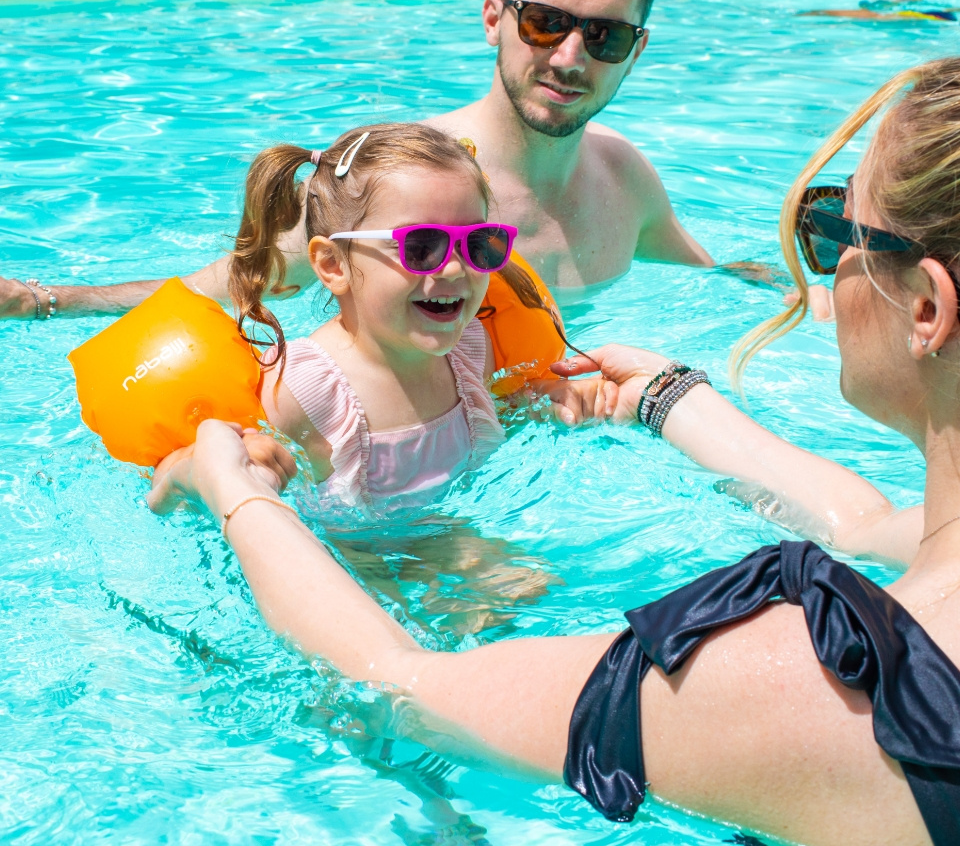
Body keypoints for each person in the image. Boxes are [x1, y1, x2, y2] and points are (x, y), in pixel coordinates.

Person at [150, 58, 960, 846]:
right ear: (331, 265)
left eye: (828, 233)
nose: (461, 270)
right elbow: (864, 523)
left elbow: (402, 684)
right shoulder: (313, 380)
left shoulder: (818, 685)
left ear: (925, 307)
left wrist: (234, 495)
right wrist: (662, 395)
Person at [0, 0, 734, 324]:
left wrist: (825, 293)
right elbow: (227, 284)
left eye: (604, 35)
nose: (571, 58)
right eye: (545, 21)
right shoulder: (396, 177)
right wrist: (46, 300)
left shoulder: (622, 175)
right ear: (493, 19)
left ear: (637, 50)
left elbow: (718, 276)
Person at [227, 122, 612, 511]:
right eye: (422, 246)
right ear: (333, 264)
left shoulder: (471, 349)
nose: (453, 269)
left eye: (478, 243)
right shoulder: (299, 391)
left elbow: (511, 409)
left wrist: (548, 399)